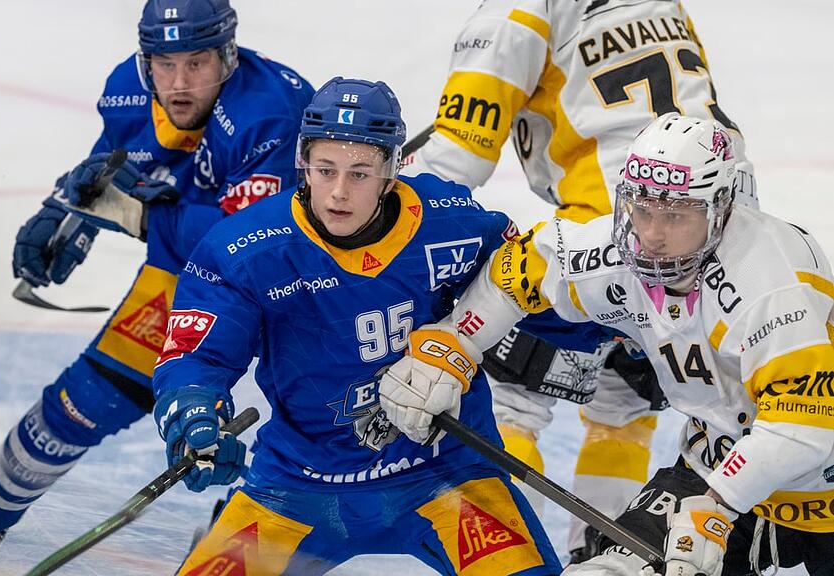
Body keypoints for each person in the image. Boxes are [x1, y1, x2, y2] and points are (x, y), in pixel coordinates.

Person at [382, 113, 834, 575]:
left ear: (720, 209)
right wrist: (452, 342)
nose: (652, 236)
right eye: (643, 209)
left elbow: (803, 423)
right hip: (715, 465)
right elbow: (522, 267)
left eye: (675, 215)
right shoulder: (619, 250)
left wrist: (717, 505)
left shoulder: (769, 282)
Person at [151, 76, 564, 575]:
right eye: (325, 170)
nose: (339, 192)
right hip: (298, 485)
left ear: (391, 171)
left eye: (360, 173)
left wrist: (611, 333)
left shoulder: (452, 220)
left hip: (446, 471)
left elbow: (530, 288)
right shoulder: (244, 249)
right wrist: (193, 412)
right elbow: (196, 357)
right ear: (303, 163)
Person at [404, 0, 758, 560]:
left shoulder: (516, 13)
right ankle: (603, 559)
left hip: (611, 235)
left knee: (512, 404)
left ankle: (512, 565)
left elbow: (455, 163)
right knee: (624, 408)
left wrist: (383, 200)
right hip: (717, 233)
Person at [0, 1, 313, 572]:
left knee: (311, 422)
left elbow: (250, 244)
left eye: (196, 63)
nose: (178, 83)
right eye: (164, 64)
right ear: (144, 61)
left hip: (296, 287)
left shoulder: (270, 109)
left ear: (228, 55)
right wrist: (68, 213)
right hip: (188, 275)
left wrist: (140, 217)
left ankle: (243, 520)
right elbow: (113, 165)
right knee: (83, 402)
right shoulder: (127, 89)